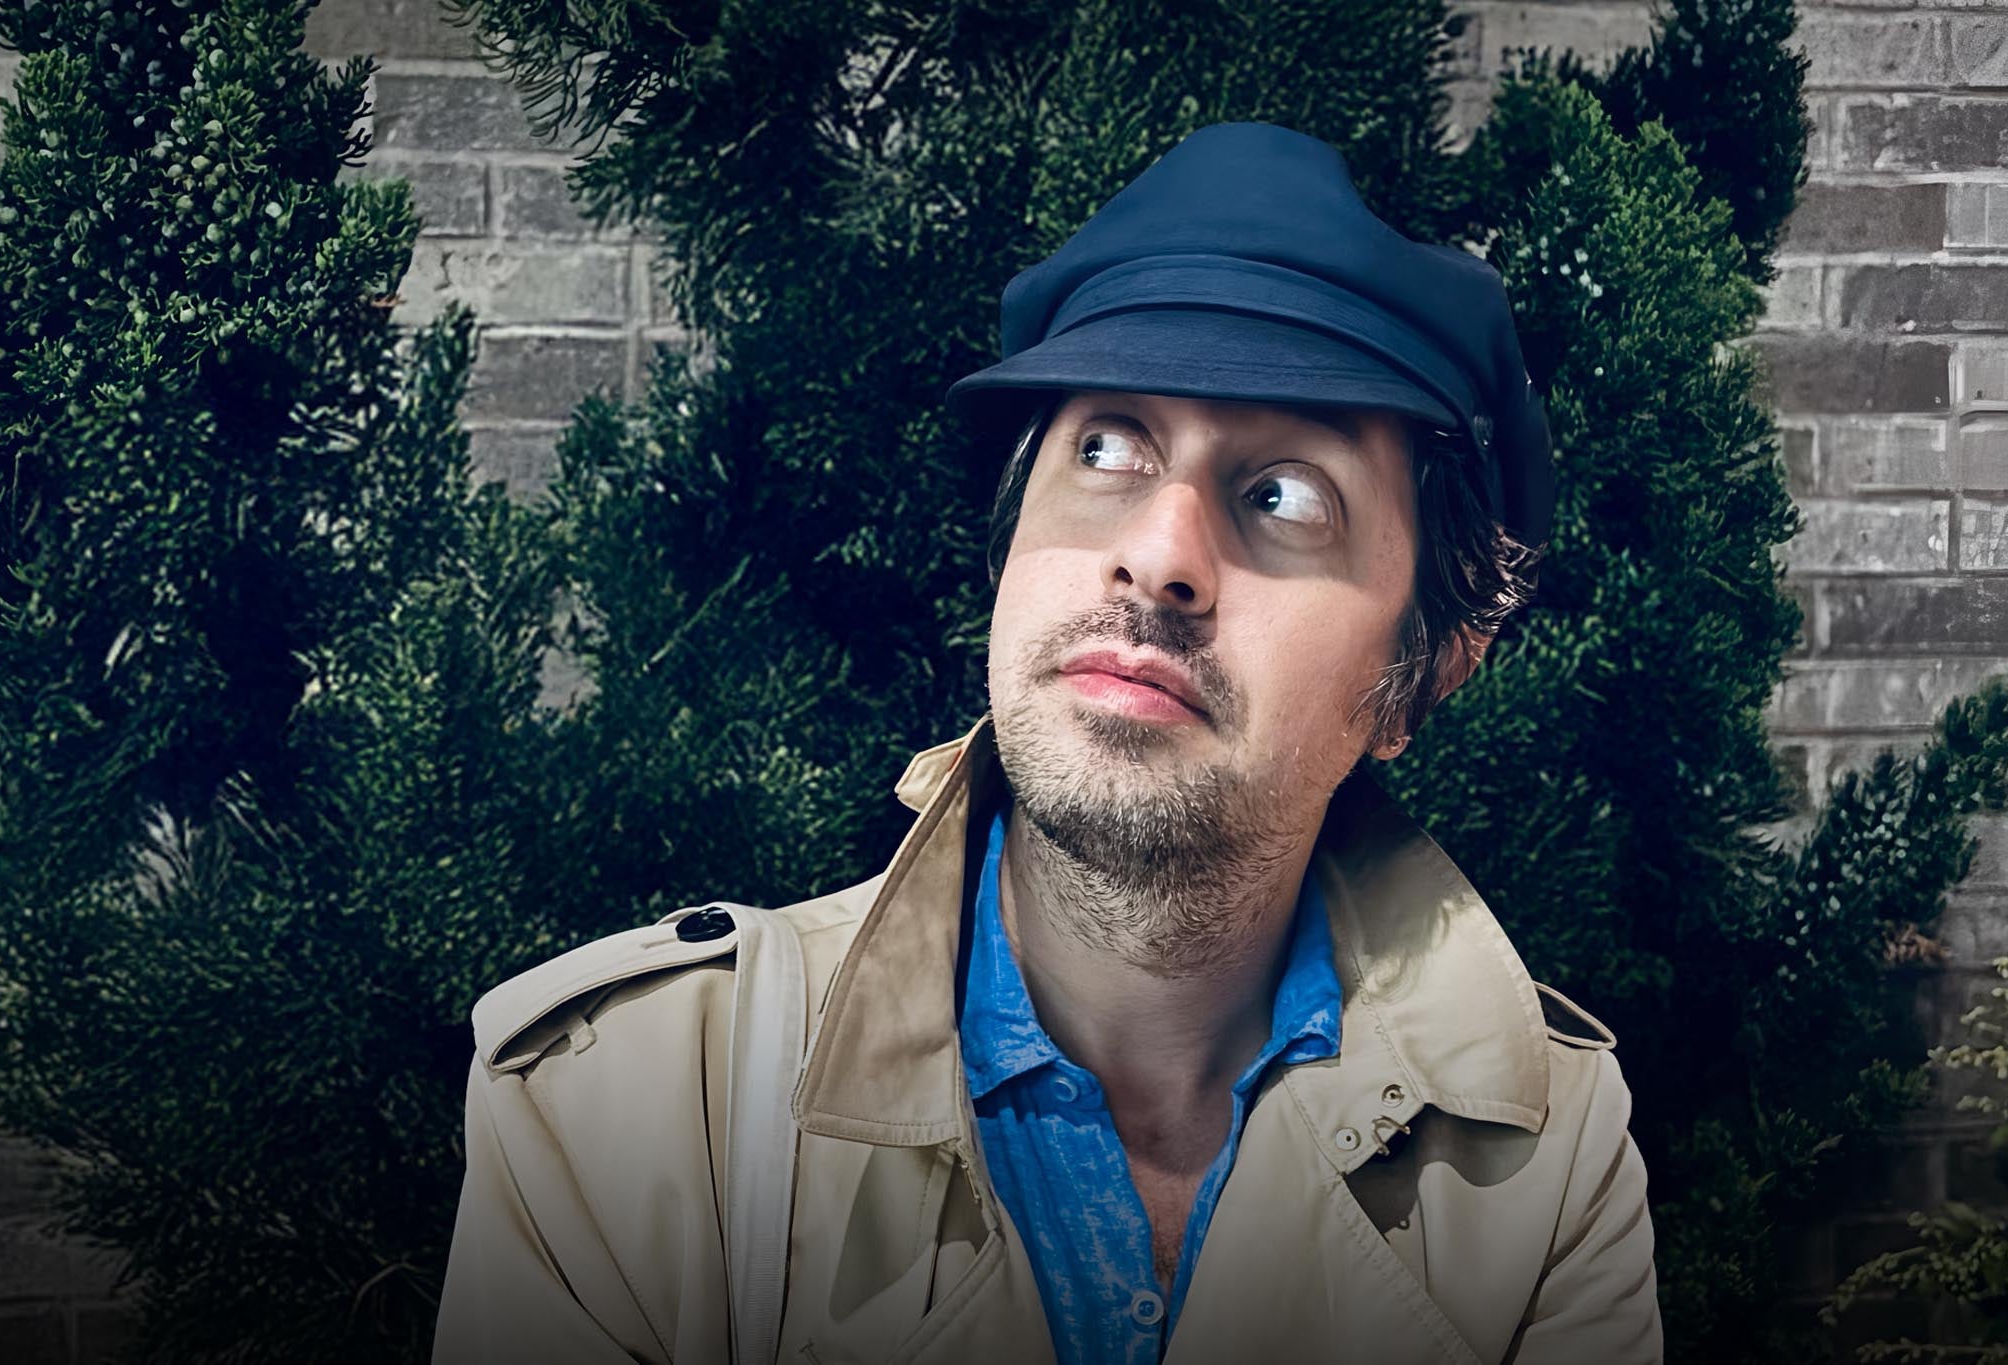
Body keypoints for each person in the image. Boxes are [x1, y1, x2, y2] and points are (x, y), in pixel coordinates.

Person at [432, 121, 1663, 1365]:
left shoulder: (1543, 1164)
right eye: (1106, 446)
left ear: (1419, 678)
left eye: (1284, 494)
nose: (1160, 555)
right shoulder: (633, 1105)